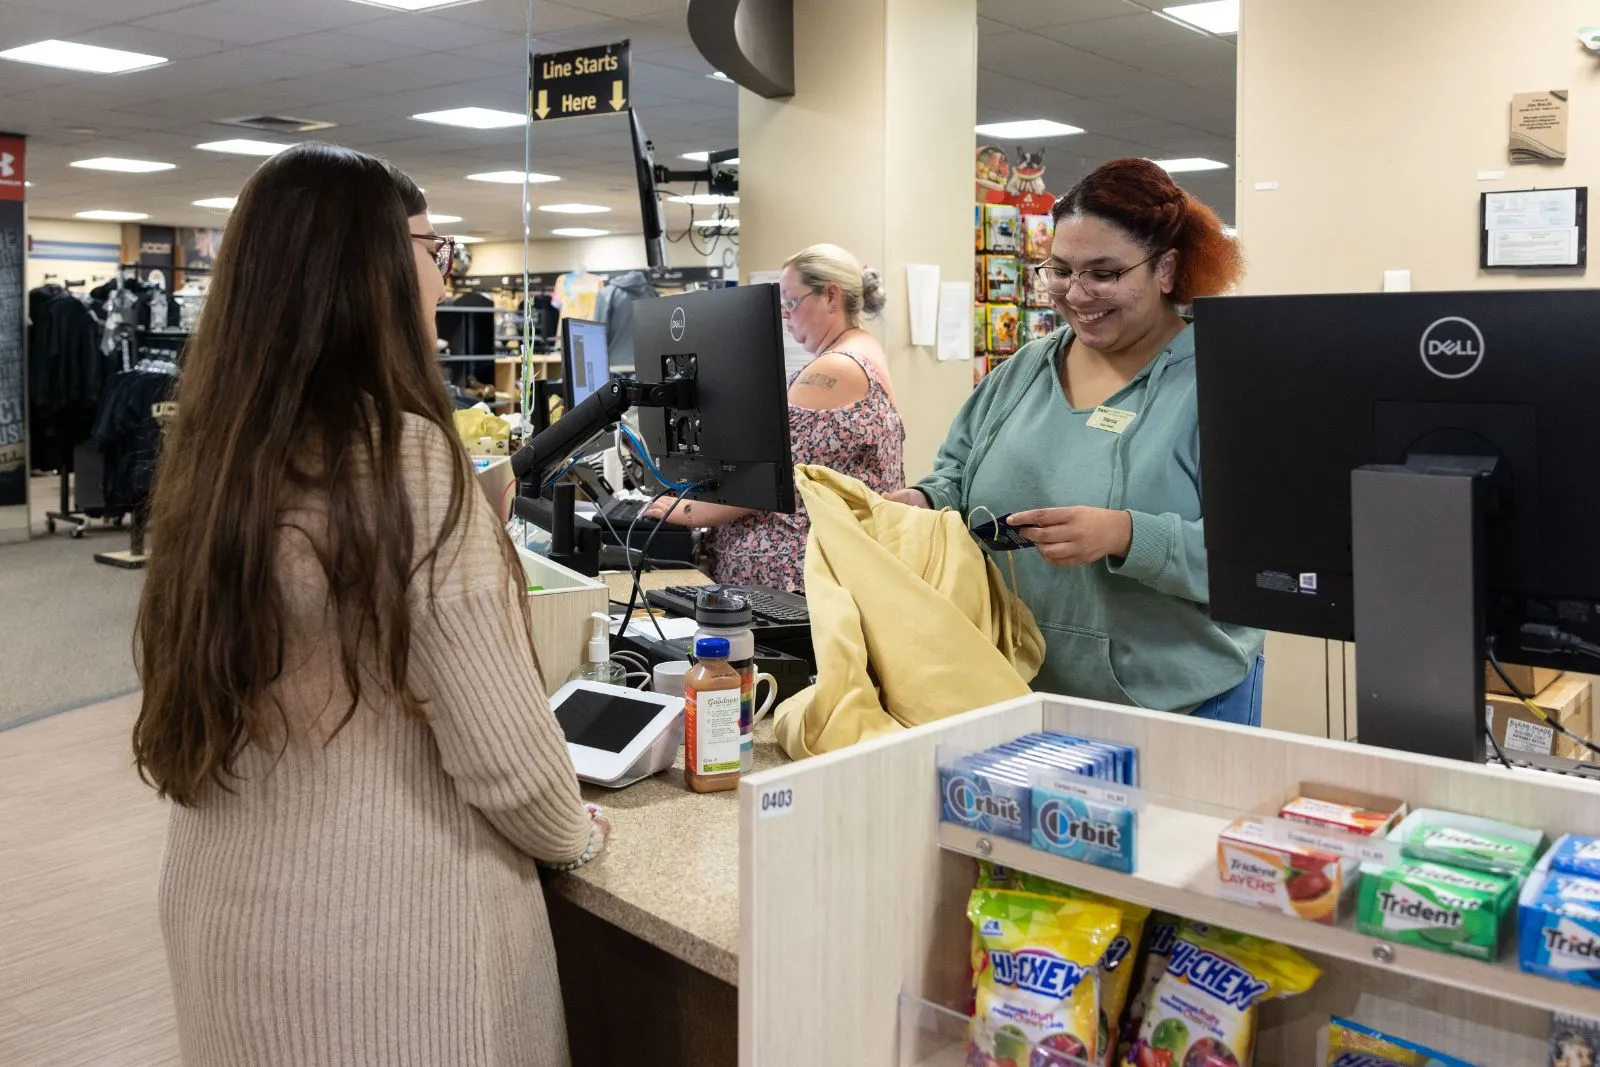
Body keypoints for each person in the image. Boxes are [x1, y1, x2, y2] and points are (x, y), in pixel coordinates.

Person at [131, 143, 606, 1067]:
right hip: (387, 957)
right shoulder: (407, 462)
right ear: (375, 272)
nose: (443, 276)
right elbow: (509, 762)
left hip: (229, 927)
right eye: (433, 250)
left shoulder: (220, 464)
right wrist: (577, 834)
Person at [888, 158, 1265, 723]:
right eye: (1060, 270)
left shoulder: (1224, 385)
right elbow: (955, 475)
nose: (1077, 293)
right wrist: (922, 502)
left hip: (1178, 704)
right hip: (1019, 690)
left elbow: (1263, 563)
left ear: (1165, 268)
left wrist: (1126, 535)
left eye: (1104, 273)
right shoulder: (1023, 373)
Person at [645, 243, 905, 593]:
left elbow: (763, 480)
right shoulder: (859, 351)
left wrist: (682, 510)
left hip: (794, 583)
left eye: (792, 302)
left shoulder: (836, 368)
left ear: (831, 296)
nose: (785, 315)